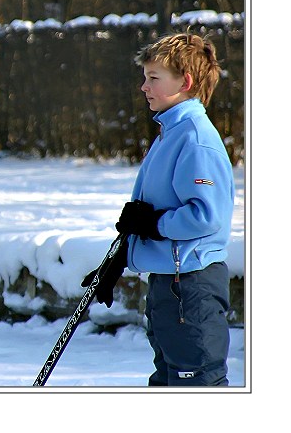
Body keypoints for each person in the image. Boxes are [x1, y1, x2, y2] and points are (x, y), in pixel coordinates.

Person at [82, 32, 235, 386]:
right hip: (170, 283)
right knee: (168, 381)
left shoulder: (195, 137)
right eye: (145, 77)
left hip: (191, 285)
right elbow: (157, 209)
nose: (143, 87)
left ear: (186, 82)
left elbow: (206, 216)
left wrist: (153, 224)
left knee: (196, 384)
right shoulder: (171, 131)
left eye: (154, 78)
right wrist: (119, 258)